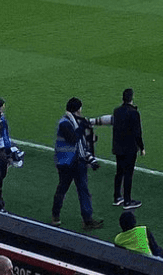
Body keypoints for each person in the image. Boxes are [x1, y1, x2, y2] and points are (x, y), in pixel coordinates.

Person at [51, 98, 102, 231]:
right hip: (67, 163)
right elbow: (74, 139)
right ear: (78, 109)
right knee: (64, 189)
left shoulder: (69, 122)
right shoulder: (65, 123)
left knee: (82, 190)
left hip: (75, 161)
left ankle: (87, 219)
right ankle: (56, 215)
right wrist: (83, 128)